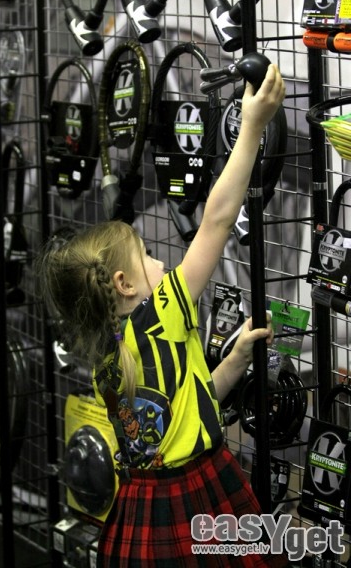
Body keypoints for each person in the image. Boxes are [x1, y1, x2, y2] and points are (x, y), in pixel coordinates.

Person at [37, 63, 289, 567]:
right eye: (147, 256)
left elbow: (182, 408)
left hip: (141, 511)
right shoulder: (166, 308)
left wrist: (234, 361)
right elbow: (217, 219)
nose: (160, 262)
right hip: (200, 498)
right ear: (125, 285)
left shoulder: (109, 362)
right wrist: (252, 126)